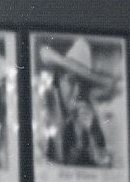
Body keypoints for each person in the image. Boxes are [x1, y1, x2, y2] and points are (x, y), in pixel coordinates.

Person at [36, 37, 115, 169]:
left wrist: (93, 134)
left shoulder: (91, 119)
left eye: (83, 85)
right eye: (71, 82)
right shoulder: (43, 111)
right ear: (59, 79)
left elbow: (105, 166)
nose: (77, 91)